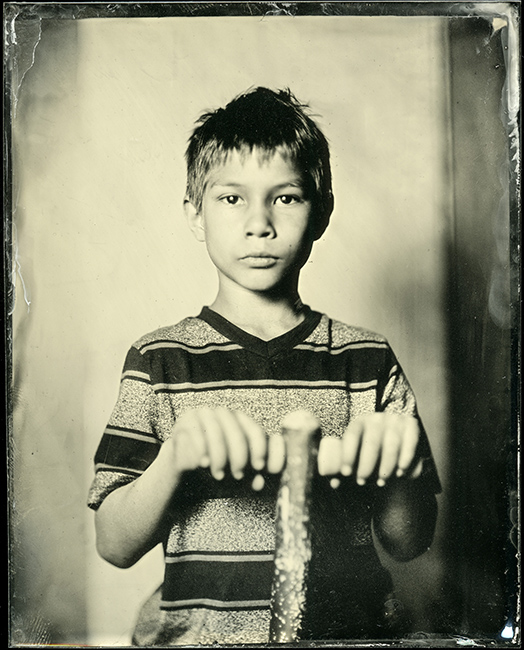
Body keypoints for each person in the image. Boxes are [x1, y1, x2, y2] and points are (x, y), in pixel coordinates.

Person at [87, 87, 441, 645]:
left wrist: (400, 472)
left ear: (321, 213)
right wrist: (175, 458)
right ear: (195, 213)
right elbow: (113, 544)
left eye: (286, 197)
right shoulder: (160, 360)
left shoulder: (366, 360)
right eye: (232, 199)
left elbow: (407, 542)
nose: (260, 223)